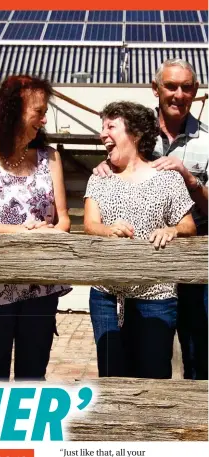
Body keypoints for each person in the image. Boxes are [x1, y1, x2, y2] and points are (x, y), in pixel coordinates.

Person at [93, 59, 208, 380]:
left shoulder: (207, 141)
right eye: (171, 86)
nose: (179, 94)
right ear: (155, 89)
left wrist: (188, 177)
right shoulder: (136, 133)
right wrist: (104, 167)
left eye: (187, 87)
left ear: (196, 92)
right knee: (140, 359)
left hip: (194, 266)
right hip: (142, 271)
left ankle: (195, 424)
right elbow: (114, 179)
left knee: (200, 355)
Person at [0, 75, 71, 381]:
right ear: (13, 111)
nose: (44, 118)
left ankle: (28, 429)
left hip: (40, 285)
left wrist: (50, 232)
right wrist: (25, 233)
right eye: (38, 111)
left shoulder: (51, 157)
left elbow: (64, 219)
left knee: (33, 375)